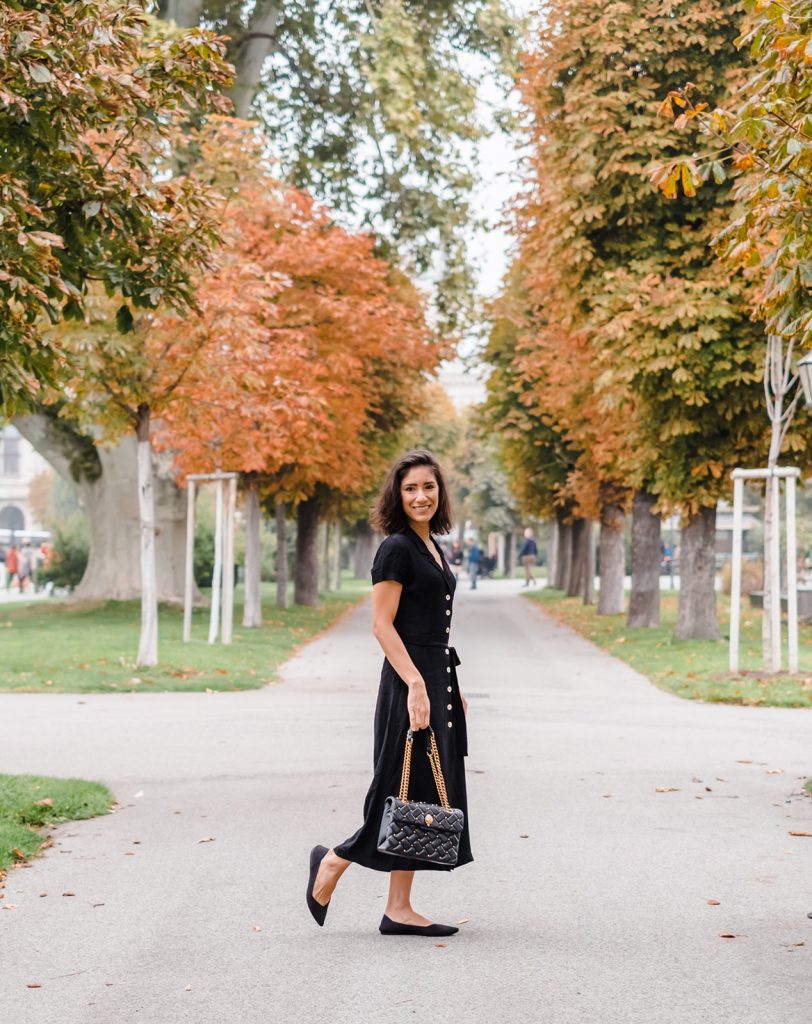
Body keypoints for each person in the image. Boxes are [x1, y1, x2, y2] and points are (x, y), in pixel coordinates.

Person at [306, 449, 472, 937]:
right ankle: (333, 861)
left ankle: (399, 907)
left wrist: (449, 685)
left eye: (428, 487)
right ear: (396, 497)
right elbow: (382, 626)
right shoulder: (397, 548)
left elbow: (433, 627)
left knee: (420, 792)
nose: (421, 496)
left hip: (435, 677)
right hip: (409, 682)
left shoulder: (432, 546)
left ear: (440, 491)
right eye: (410, 489)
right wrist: (417, 683)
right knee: (392, 788)